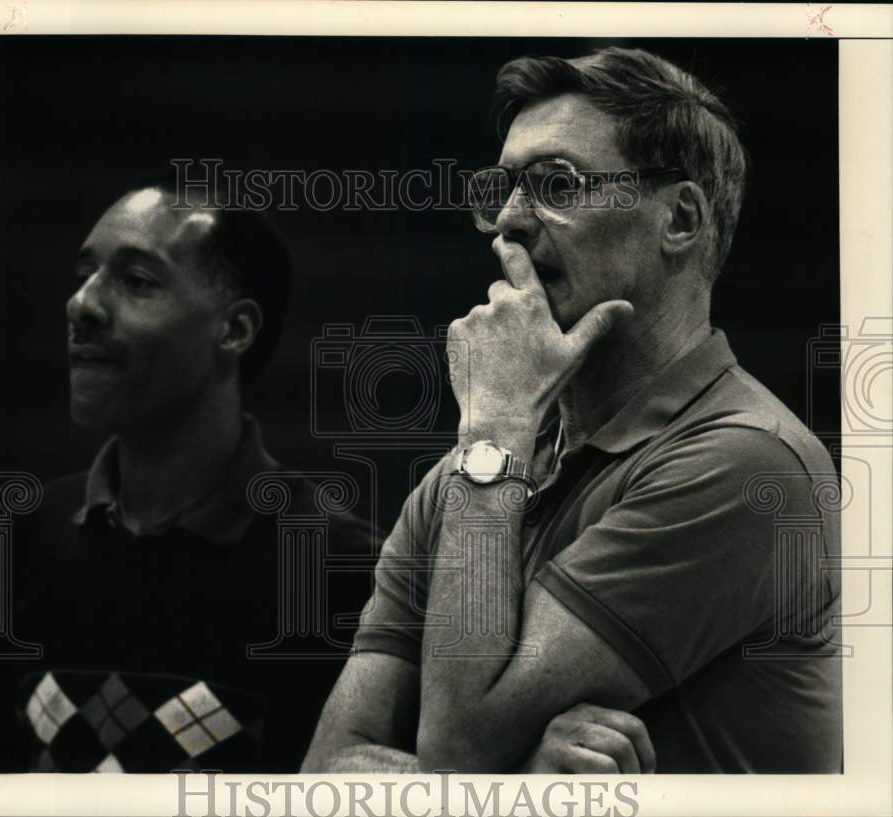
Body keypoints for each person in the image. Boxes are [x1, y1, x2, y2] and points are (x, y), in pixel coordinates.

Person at [303, 47, 842, 774]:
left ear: (679, 218)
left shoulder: (746, 462)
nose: (509, 223)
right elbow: (329, 769)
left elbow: (458, 745)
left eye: (557, 183)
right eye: (502, 189)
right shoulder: (464, 482)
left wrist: (491, 430)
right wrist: (518, 779)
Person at [0, 181, 378, 773]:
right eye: (85, 273)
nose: (81, 304)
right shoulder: (19, 537)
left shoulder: (337, 568)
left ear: (235, 330)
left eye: (136, 281)